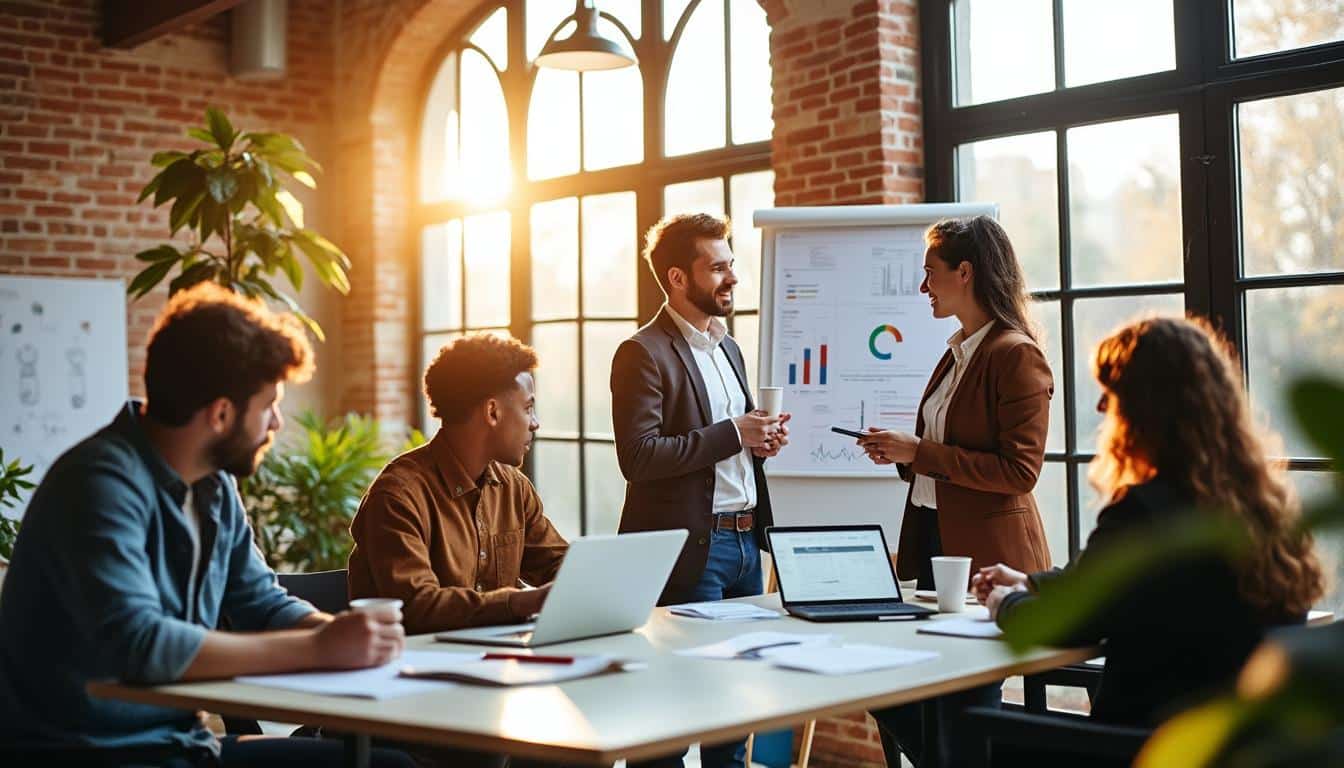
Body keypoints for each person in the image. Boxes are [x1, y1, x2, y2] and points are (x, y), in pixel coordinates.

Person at [0, 284, 413, 768]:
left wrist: (342, 633)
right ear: (221, 414)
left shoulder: (212, 484)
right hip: (87, 753)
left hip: (178, 744)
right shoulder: (98, 485)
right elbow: (141, 645)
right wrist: (320, 646)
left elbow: (259, 601)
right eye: (269, 405)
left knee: (389, 764)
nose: (277, 423)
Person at [975, 315, 1323, 762]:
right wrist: (1031, 582)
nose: (1102, 410)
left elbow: (1065, 625)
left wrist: (1003, 602)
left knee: (951, 720)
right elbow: (1109, 587)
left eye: (1111, 395)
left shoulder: (1142, 511)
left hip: (1134, 751)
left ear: (1143, 411)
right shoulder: (1268, 513)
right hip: (1234, 753)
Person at [855, 216, 1054, 768]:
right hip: (935, 548)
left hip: (989, 558)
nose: (923, 287)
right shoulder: (959, 351)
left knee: (963, 703)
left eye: (930, 274)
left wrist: (919, 452)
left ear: (964, 273)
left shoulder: (1015, 354)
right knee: (899, 693)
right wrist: (903, 453)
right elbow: (941, 455)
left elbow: (1020, 470)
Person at [610, 212, 789, 768]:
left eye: (731, 264)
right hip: (691, 551)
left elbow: (721, 446)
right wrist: (734, 432)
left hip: (743, 547)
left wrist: (757, 441)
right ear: (677, 278)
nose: (731, 277)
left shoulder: (728, 348)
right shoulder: (641, 352)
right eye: (717, 268)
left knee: (733, 713)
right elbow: (638, 458)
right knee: (672, 716)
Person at [348, 334, 568, 636]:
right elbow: (417, 606)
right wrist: (520, 602)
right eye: (528, 408)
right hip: (412, 669)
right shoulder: (398, 496)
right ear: (492, 412)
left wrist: (585, 582)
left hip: (495, 663)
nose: (535, 423)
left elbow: (559, 564)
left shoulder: (514, 488)